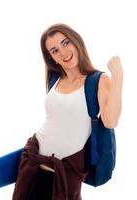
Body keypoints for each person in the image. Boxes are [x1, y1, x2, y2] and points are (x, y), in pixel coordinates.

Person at [12, 23, 123, 200]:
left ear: (76, 42)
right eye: (54, 50)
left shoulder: (98, 80)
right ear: (52, 58)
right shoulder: (55, 79)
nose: (63, 52)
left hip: (65, 172)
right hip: (32, 162)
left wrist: (118, 77)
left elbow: (110, 121)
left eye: (65, 43)